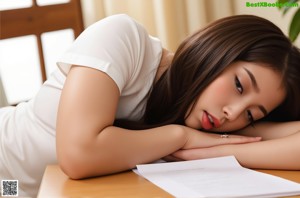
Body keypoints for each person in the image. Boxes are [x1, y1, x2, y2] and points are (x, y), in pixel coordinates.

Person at [0, 14, 299, 197]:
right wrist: (181, 138)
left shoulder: (205, 117)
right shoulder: (124, 38)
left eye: (251, 113)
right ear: (216, 50)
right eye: (238, 85)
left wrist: (216, 151)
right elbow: (79, 155)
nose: (233, 114)